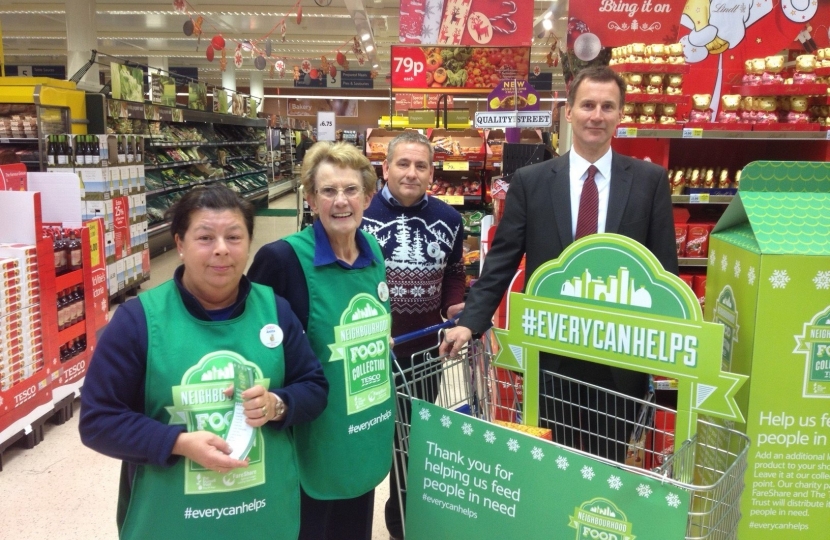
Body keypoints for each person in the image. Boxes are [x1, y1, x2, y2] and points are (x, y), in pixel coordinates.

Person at [441, 65, 679, 463]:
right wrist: (470, 321)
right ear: (568, 112)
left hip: (619, 357)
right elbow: (501, 260)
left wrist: (671, 341)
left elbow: (663, 269)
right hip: (550, 355)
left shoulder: (649, 181)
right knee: (551, 464)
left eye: (607, 106)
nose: (596, 115)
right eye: (587, 105)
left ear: (620, 115)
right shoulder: (532, 182)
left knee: (607, 466)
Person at [79, 185, 329, 539]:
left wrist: (278, 404)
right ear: (179, 244)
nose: (222, 249)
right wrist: (176, 442)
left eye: (234, 236)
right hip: (173, 519)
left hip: (263, 513)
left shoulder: (275, 310)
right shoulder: (139, 321)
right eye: (205, 237)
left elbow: (315, 387)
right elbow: (98, 420)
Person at [247, 142, 393, 540]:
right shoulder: (282, 259)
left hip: (363, 424)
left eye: (350, 190)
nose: (341, 201)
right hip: (310, 434)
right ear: (310, 199)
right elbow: (248, 339)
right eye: (328, 191)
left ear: (367, 196)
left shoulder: (373, 251)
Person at [361, 130, 466, 540]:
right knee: (365, 442)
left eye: (420, 165)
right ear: (384, 168)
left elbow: (455, 273)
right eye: (402, 164)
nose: (411, 172)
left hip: (424, 354)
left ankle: (399, 526)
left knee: (408, 447)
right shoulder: (360, 214)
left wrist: (456, 311)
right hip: (369, 354)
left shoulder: (450, 219)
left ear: (431, 172)